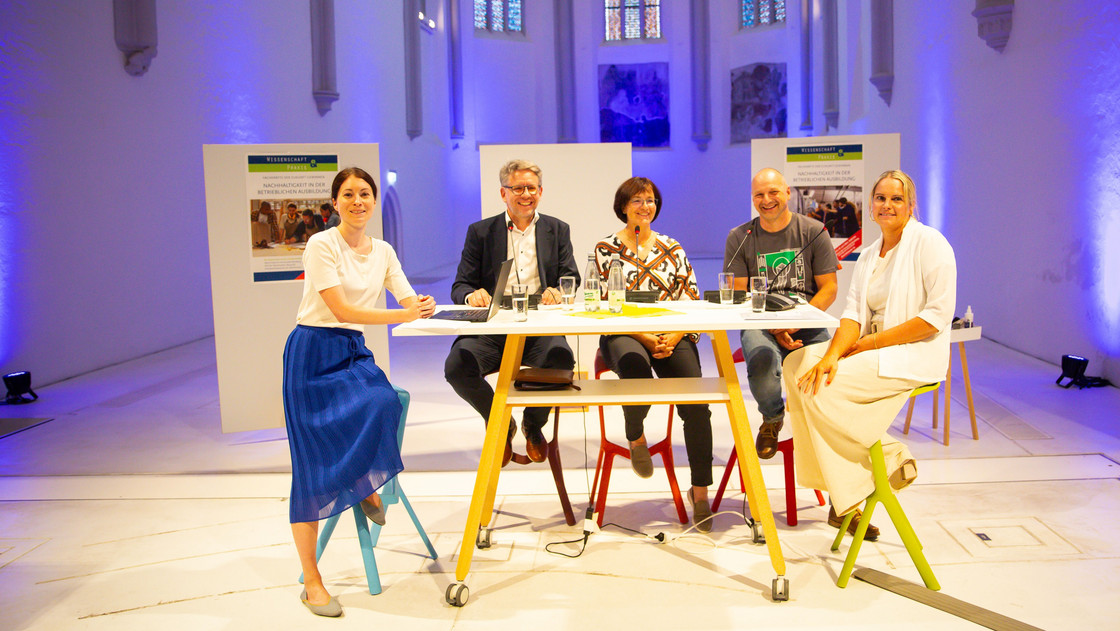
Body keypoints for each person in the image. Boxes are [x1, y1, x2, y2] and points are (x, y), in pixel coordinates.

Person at [283, 166, 435, 617]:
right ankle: (312, 580)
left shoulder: (383, 250)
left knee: (385, 400)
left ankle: (362, 478)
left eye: (365, 194)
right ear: (335, 203)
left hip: (352, 349)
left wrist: (418, 305)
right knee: (308, 468)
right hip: (312, 353)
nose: (358, 201)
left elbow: (405, 296)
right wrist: (403, 317)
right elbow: (342, 308)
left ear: (373, 201)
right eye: (348, 194)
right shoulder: (321, 244)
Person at [783, 169, 956, 540]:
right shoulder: (868, 255)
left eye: (897, 199)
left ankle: (847, 499)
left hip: (910, 352)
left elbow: (935, 319)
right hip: (868, 349)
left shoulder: (931, 243)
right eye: (881, 198)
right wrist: (832, 354)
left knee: (823, 389)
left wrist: (869, 344)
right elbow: (852, 315)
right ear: (872, 206)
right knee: (796, 365)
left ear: (911, 206)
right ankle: (888, 454)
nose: (887, 205)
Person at [593, 176, 714, 532]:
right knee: (635, 369)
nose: (645, 207)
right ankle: (635, 436)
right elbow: (604, 304)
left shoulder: (672, 247)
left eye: (650, 201)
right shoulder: (606, 248)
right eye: (637, 202)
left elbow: (691, 298)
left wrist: (674, 336)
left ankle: (701, 492)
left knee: (695, 404)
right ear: (623, 208)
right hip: (626, 332)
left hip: (672, 334)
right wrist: (646, 338)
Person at [444, 159, 579, 466]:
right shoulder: (480, 232)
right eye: (517, 188)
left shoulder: (557, 229)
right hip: (493, 327)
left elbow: (570, 277)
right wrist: (470, 294)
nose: (525, 194)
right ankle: (501, 423)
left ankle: (533, 425)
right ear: (503, 193)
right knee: (457, 366)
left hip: (538, 324)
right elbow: (460, 285)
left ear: (541, 192)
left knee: (561, 359)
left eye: (531, 188)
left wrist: (559, 290)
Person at [723, 168, 838, 460]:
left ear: (787, 193)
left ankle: (825, 430)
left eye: (773, 192)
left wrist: (794, 323)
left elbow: (829, 289)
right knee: (761, 359)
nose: (766, 200)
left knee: (825, 373)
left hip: (806, 320)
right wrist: (774, 325)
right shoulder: (739, 236)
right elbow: (737, 293)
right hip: (759, 320)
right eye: (759, 195)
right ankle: (772, 418)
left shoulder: (814, 231)